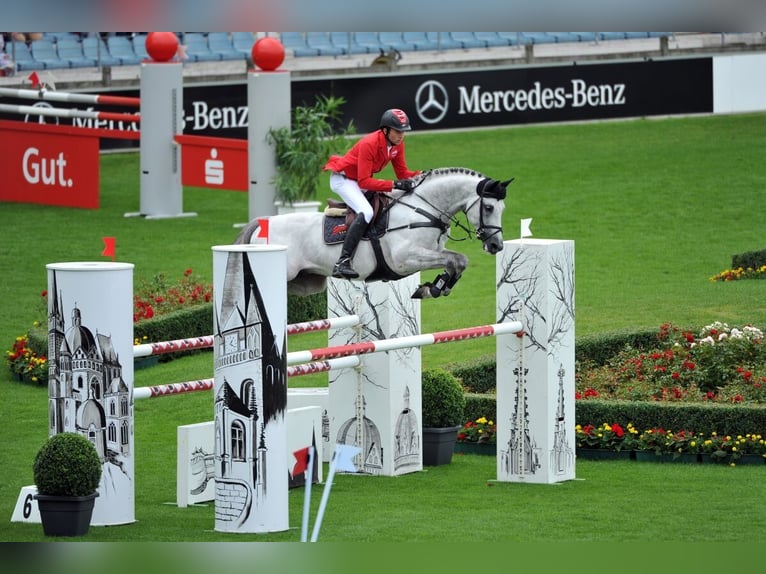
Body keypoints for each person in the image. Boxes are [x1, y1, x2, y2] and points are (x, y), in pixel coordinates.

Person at [324, 108, 421, 279]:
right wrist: (394, 184)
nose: (401, 135)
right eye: (398, 131)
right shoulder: (370, 143)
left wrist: (423, 176)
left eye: (404, 131)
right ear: (385, 130)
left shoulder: (397, 145)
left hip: (358, 180)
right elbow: (365, 182)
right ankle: (343, 262)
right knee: (367, 212)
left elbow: (402, 174)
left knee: (388, 200)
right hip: (344, 180)